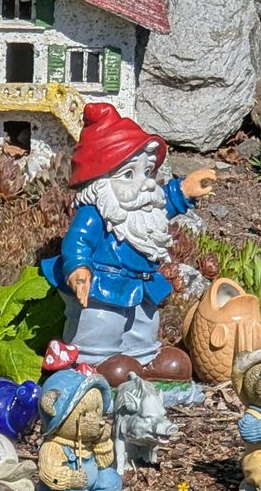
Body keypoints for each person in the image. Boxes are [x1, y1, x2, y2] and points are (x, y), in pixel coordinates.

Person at [41, 103, 214, 380]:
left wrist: (183, 191)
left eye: (148, 172)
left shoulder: (141, 204)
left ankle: (143, 362)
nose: (146, 183)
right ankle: (94, 365)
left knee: (144, 325)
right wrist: (78, 267)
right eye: (129, 174)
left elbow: (162, 206)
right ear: (100, 181)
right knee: (102, 324)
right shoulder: (96, 211)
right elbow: (78, 240)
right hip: (103, 287)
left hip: (141, 286)